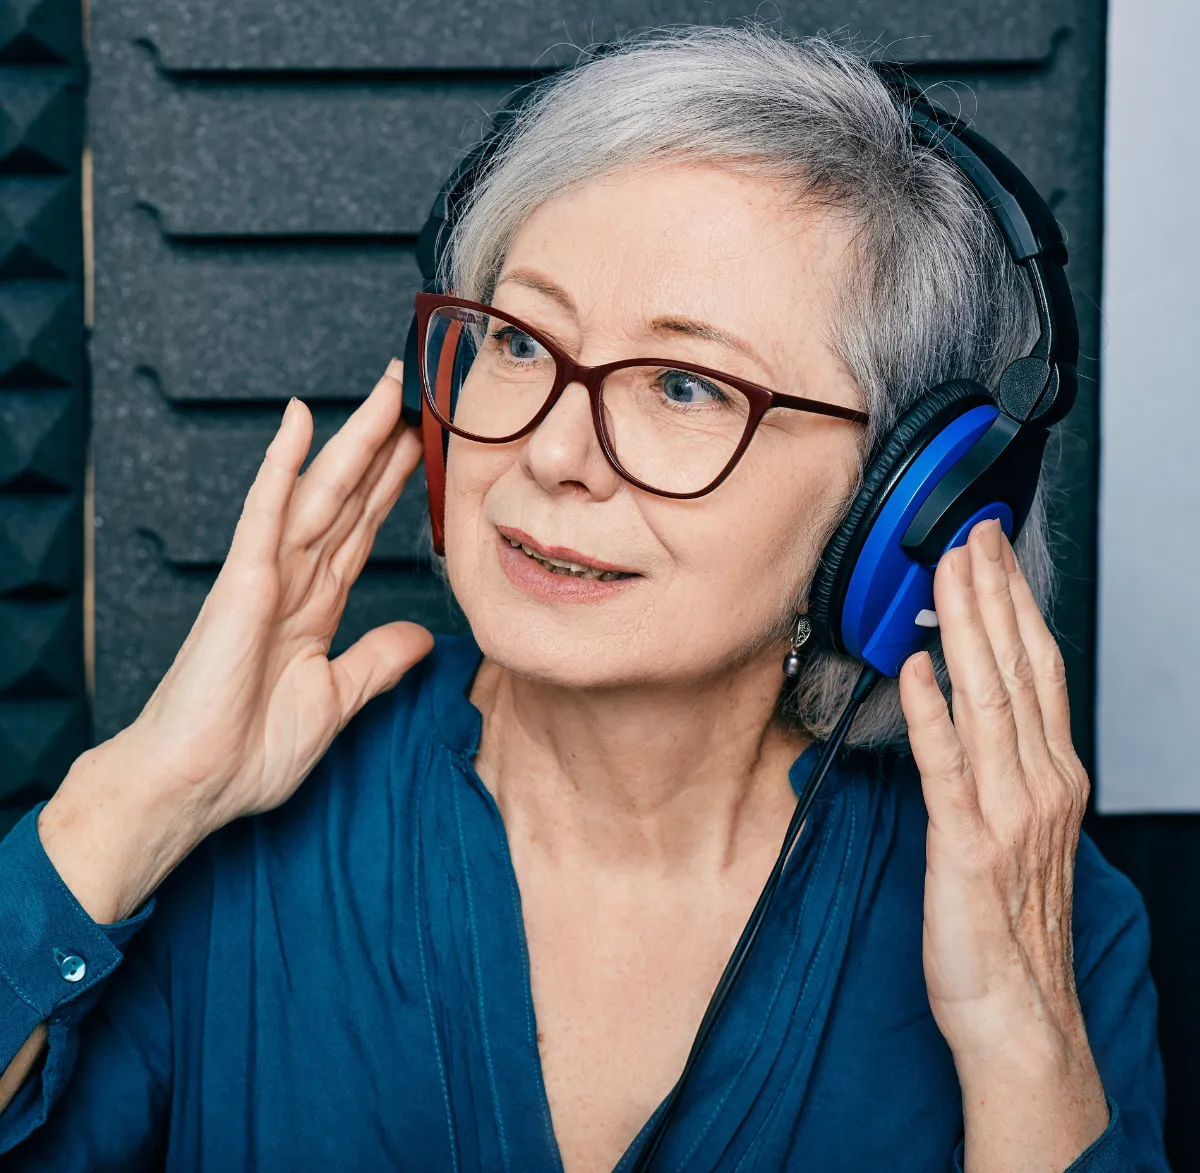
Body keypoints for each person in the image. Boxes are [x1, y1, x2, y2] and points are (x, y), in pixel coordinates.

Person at [0, 27, 1166, 1173]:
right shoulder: (233, 844)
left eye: (683, 384)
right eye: (518, 341)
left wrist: (1021, 1038)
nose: (553, 451)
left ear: (904, 510)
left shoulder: (1039, 916)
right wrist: (134, 801)